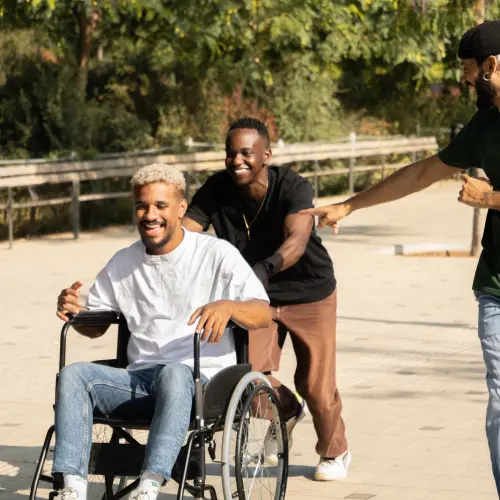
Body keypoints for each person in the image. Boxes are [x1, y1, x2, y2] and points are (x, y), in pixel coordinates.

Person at [300, 20, 500, 496]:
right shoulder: (486, 124)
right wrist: (350, 205)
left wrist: (492, 199)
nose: (464, 80)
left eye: (468, 69)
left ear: (492, 65)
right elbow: (423, 173)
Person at [53, 163, 271, 500]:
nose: (150, 215)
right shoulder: (123, 262)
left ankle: (149, 486)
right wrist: (77, 313)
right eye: (142, 206)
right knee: (73, 375)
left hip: (201, 383)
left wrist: (229, 306)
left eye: (160, 205)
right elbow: (96, 326)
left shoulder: (215, 254)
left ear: (181, 208)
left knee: (175, 373)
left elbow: (263, 313)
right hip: (140, 381)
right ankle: (73, 488)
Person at [182, 118, 350, 481]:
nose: (237, 160)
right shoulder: (216, 189)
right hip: (255, 296)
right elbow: (183, 235)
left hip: (308, 292)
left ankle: (334, 452)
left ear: (266, 155)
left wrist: (266, 267)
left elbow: (297, 239)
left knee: (315, 384)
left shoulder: (292, 186)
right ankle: (285, 411)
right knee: (246, 376)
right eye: (231, 153)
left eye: (247, 153)